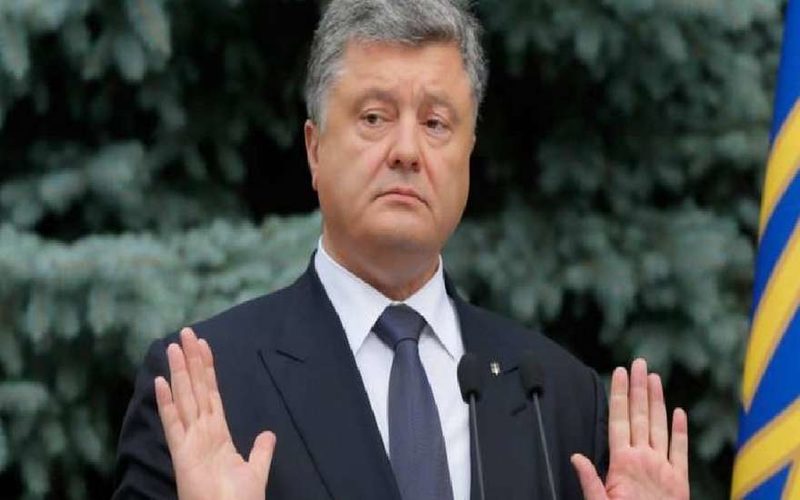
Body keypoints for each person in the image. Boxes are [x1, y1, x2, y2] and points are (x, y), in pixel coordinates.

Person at [113, 1, 690, 499]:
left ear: (468, 153)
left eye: (436, 123)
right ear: (315, 149)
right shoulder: (205, 389)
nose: (407, 151)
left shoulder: (556, 398)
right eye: (374, 117)